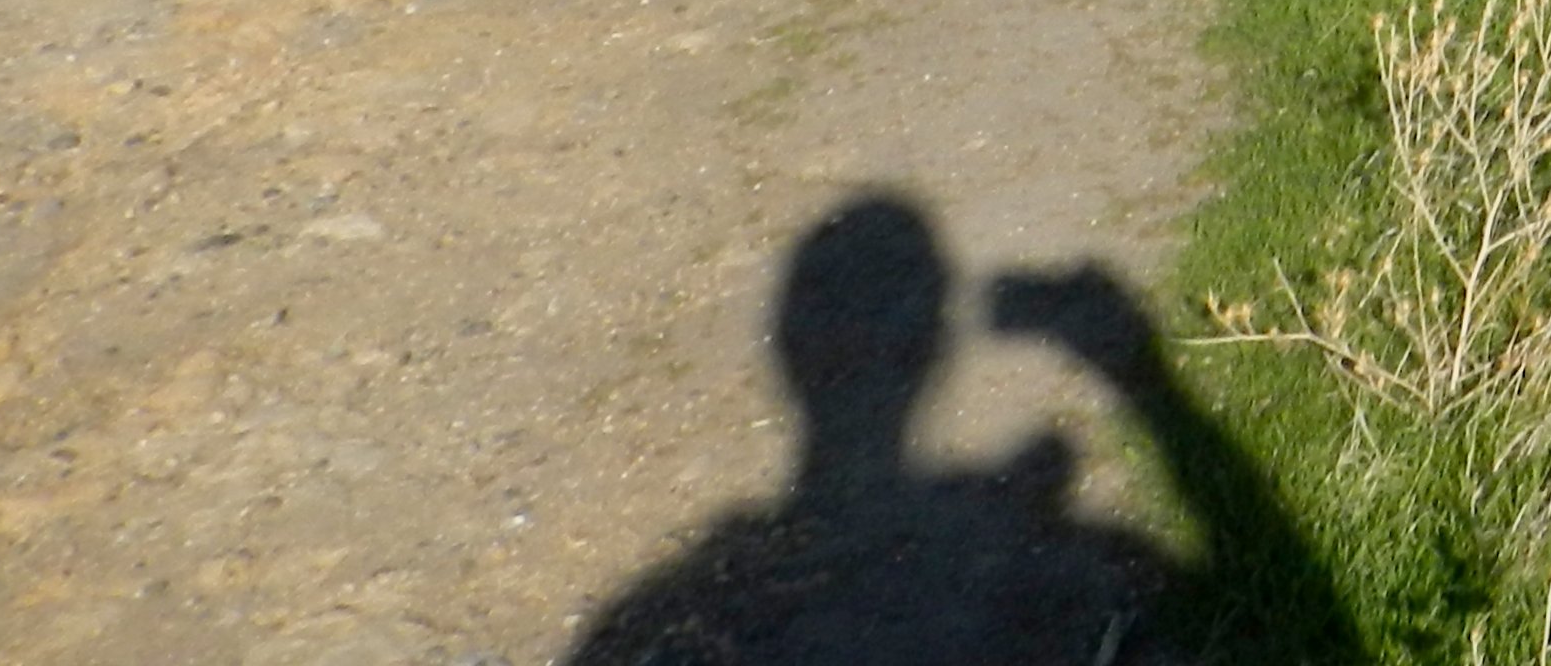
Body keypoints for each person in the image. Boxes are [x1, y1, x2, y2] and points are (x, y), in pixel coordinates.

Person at [566, 194, 1353, 664]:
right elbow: (1324, 628)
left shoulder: (657, 609)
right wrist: (1150, 389)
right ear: (936, 345)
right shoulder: (1107, 549)